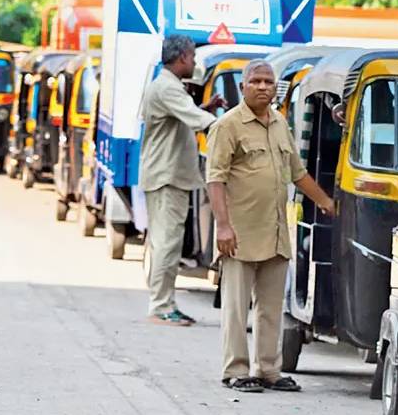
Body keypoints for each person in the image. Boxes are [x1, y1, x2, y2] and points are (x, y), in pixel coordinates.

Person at [206, 59, 336, 393]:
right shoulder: (228, 126)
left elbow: (297, 172)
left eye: (268, 82)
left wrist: (325, 201)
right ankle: (235, 370)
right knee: (237, 309)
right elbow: (215, 180)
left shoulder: (279, 123)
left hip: (275, 232)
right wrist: (223, 226)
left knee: (271, 308)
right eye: (256, 82)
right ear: (243, 87)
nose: (264, 87)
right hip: (239, 234)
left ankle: (267, 369)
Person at [140, 35, 225, 326]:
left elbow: (190, 115)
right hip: (166, 176)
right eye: (192, 57)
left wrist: (206, 108)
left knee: (169, 243)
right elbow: (199, 121)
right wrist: (234, 126)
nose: (194, 62)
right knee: (167, 243)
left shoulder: (169, 87)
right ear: (181, 59)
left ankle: (165, 303)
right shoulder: (167, 88)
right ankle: (161, 306)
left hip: (168, 175)